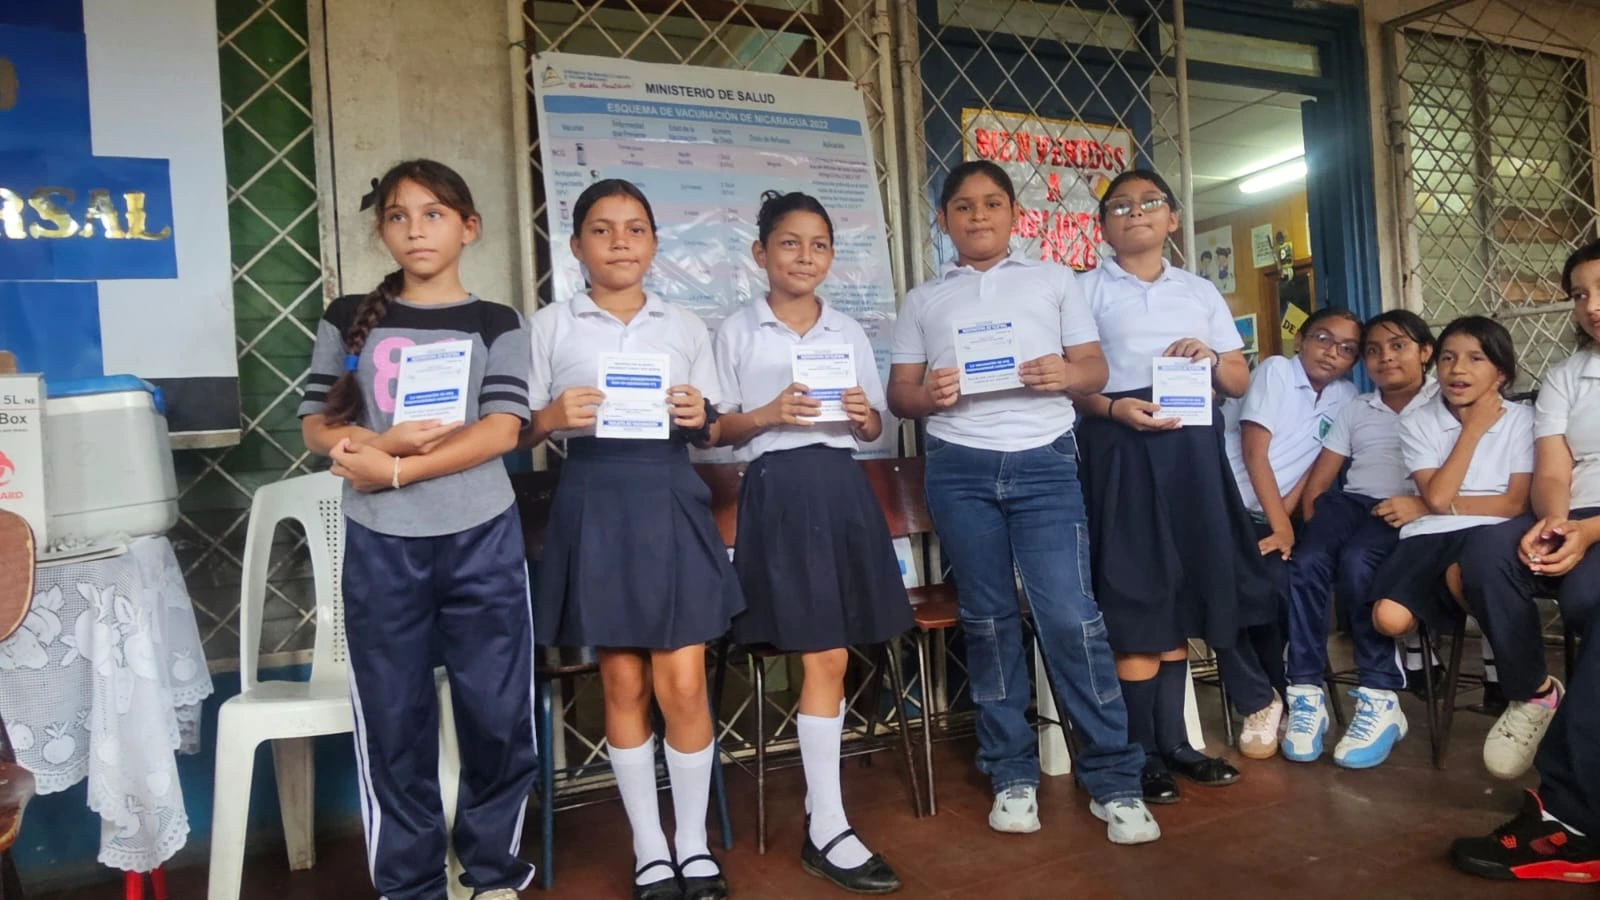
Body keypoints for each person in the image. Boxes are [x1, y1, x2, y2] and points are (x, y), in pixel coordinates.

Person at [886, 160, 1157, 844]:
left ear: (1014, 215)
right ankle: (1011, 774)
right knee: (987, 620)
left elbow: (1094, 370)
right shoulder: (924, 300)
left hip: (1045, 462)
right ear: (944, 220)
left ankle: (1115, 781)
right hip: (958, 466)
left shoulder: (1053, 279)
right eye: (963, 206)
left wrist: (1067, 375)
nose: (978, 216)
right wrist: (931, 395)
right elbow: (901, 395)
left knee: (1071, 618)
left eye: (992, 204)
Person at [298, 159, 536, 900]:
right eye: (398, 216)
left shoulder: (496, 322)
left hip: (482, 538)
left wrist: (395, 468)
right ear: (382, 231)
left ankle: (492, 872)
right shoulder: (346, 318)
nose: (415, 229)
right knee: (394, 722)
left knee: (497, 716)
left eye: (433, 214)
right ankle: (411, 884)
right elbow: (315, 426)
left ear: (469, 227)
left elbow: (502, 430)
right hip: (380, 545)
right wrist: (373, 447)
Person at [526, 179, 743, 900]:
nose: (620, 241)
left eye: (635, 228)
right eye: (602, 228)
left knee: (681, 680)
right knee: (620, 678)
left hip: (667, 493)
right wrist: (551, 414)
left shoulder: (683, 325)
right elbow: (514, 426)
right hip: (594, 497)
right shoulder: (552, 325)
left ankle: (692, 843)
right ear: (577, 244)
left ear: (654, 243)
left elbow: (711, 426)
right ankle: (649, 848)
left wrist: (696, 411)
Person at [712, 190, 908, 893]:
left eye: (818, 244)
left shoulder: (848, 331)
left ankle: (826, 821)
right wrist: (768, 413)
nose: (804, 256)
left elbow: (873, 429)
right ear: (760, 254)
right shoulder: (737, 331)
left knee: (835, 650)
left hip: (841, 488)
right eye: (789, 243)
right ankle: (827, 825)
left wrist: (861, 416)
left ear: (831, 255)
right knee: (820, 650)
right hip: (778, 492)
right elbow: (713, 430)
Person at [1073, 169, 1260, 806]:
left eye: (1150, 203)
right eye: (1119, 207)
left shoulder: (1200, 290)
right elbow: (1074, 384)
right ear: (1103, 226)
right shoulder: (1084, 291)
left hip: (1191, 450)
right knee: (1135, 590)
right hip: (1121, 443)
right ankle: (1140, 753)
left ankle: (1178, 744)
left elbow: (1236, 381)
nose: (1135, 214)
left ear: (1173, 219)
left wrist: (1210, 357)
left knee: (1181, 588)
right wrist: (1110, 410)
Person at [1456, 239, 1600, 784]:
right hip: (1575, 508)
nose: (1590, 306)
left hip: (1596, 525)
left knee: (1586, 596)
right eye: (1579, 294)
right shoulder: (1568, 375)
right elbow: (1554, 469)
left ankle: (1580, 751)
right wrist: (1557, 523)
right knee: (1489, 553)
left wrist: (1586, 533)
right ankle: (1533, 693)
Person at [1368, 317, 1534, 753]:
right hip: (1429, 536)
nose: (1457, 369)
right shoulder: (1418, 422)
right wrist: (1473, 430)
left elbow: (1514, 503)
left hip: (1492, 533)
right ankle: (1442, 657)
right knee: (1388, 619)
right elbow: (1438, 498)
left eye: (1475, 359)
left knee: (1471, 577)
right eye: (1447, 358)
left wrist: (1443, 503)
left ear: (1500, 372)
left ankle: (1512, 684)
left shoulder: (1521, 420)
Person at [1279, 310, 1438, 768]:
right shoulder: (1357, 408)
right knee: (1307, 563)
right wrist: (1314, 526)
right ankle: (1306, 694)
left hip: (1408, 510)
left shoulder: (1442, 400)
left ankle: (1380, 693)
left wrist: (1424, 507)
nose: (1385, 358)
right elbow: (1322, 482)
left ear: (1425, 353)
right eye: (1372, 350)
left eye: (1398, 346)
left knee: (1357, 562)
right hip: (1352, 506)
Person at [1219, 306, 1362, 758]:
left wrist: (1285, 524)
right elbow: (1254, 452)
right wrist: (1281, 528)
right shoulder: (1277, 371)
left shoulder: (1345, 396)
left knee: (1283, 590)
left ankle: (1281, 694)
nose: (1331, 353)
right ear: (1299, 340)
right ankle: (1258, 700)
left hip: (1275, 515)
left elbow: (1312, 466)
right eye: (1322, 338)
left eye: (1346, 349)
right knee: (1224, 598)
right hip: (1228, 506)